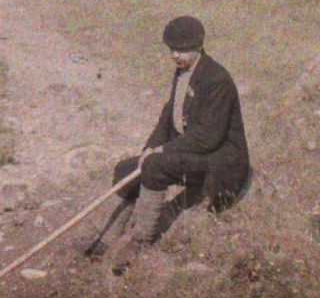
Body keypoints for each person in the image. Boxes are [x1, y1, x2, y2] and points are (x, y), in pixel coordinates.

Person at [90, 14, 250, 271]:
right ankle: (107, 238)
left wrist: (162, 151)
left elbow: (208, 137)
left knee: (155, 167)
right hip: (194, 151)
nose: (175, 55)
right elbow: (168, 117)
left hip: (221, 161)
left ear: (198, 47)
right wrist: (148, 148)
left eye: (181, 50)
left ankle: (140, 241)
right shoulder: (184, 71)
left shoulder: (216, 80)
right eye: (171, 49)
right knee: (127, 169)